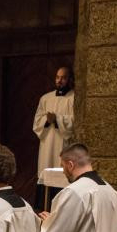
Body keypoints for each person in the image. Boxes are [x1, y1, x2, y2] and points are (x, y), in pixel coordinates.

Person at [33, 67, 75, 207]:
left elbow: (75, 121)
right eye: (57, 77)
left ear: (70, 79)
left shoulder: (74, 98)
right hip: (47, 143)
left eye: (63, 77)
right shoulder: (46, 98)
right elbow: (37, 121)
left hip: (63, 143)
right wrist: (46, 120)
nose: (59, 80)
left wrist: (57, 119)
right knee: (45, 170)